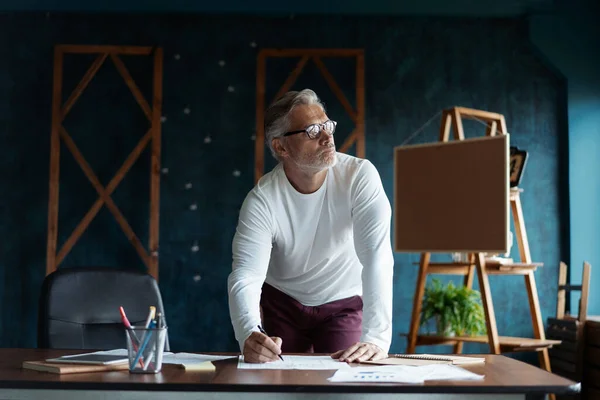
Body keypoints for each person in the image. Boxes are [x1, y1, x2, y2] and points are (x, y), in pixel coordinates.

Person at [227, 89, 394, 364]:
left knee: (347, 382)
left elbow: (377, 257)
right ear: (281, 147)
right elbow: (245, 276)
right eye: (313, 130)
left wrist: (377, 338)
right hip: (284, 304)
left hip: (343, 302)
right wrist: (248, 333)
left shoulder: (360, 177)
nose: (328, 137)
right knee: (279, 384)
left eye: (328, 125)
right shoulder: (262, 200)